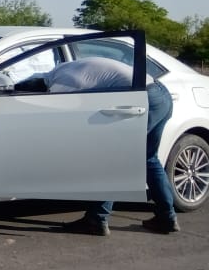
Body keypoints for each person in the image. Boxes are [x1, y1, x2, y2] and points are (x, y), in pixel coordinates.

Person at [48, 56, 179, 237]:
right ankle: (166, 217)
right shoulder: (69, 68)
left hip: (143, 97)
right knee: (148, 158)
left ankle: (97, 218)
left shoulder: (62, 81)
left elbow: (59, 111)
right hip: (160, 94)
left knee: (114, 158)